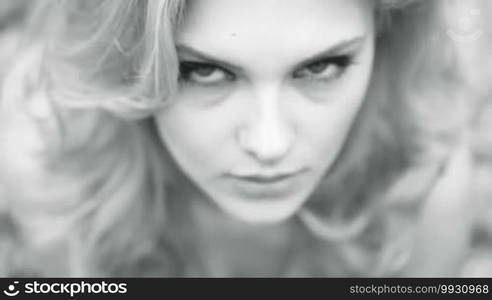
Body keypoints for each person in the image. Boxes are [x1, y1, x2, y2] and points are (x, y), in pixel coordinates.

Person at [0, 0, 472, 277]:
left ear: (385, 39)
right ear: (129, 65)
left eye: (321, 67)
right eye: (204, 71)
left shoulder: (422, 189)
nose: (270, 144)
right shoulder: (46, 168)